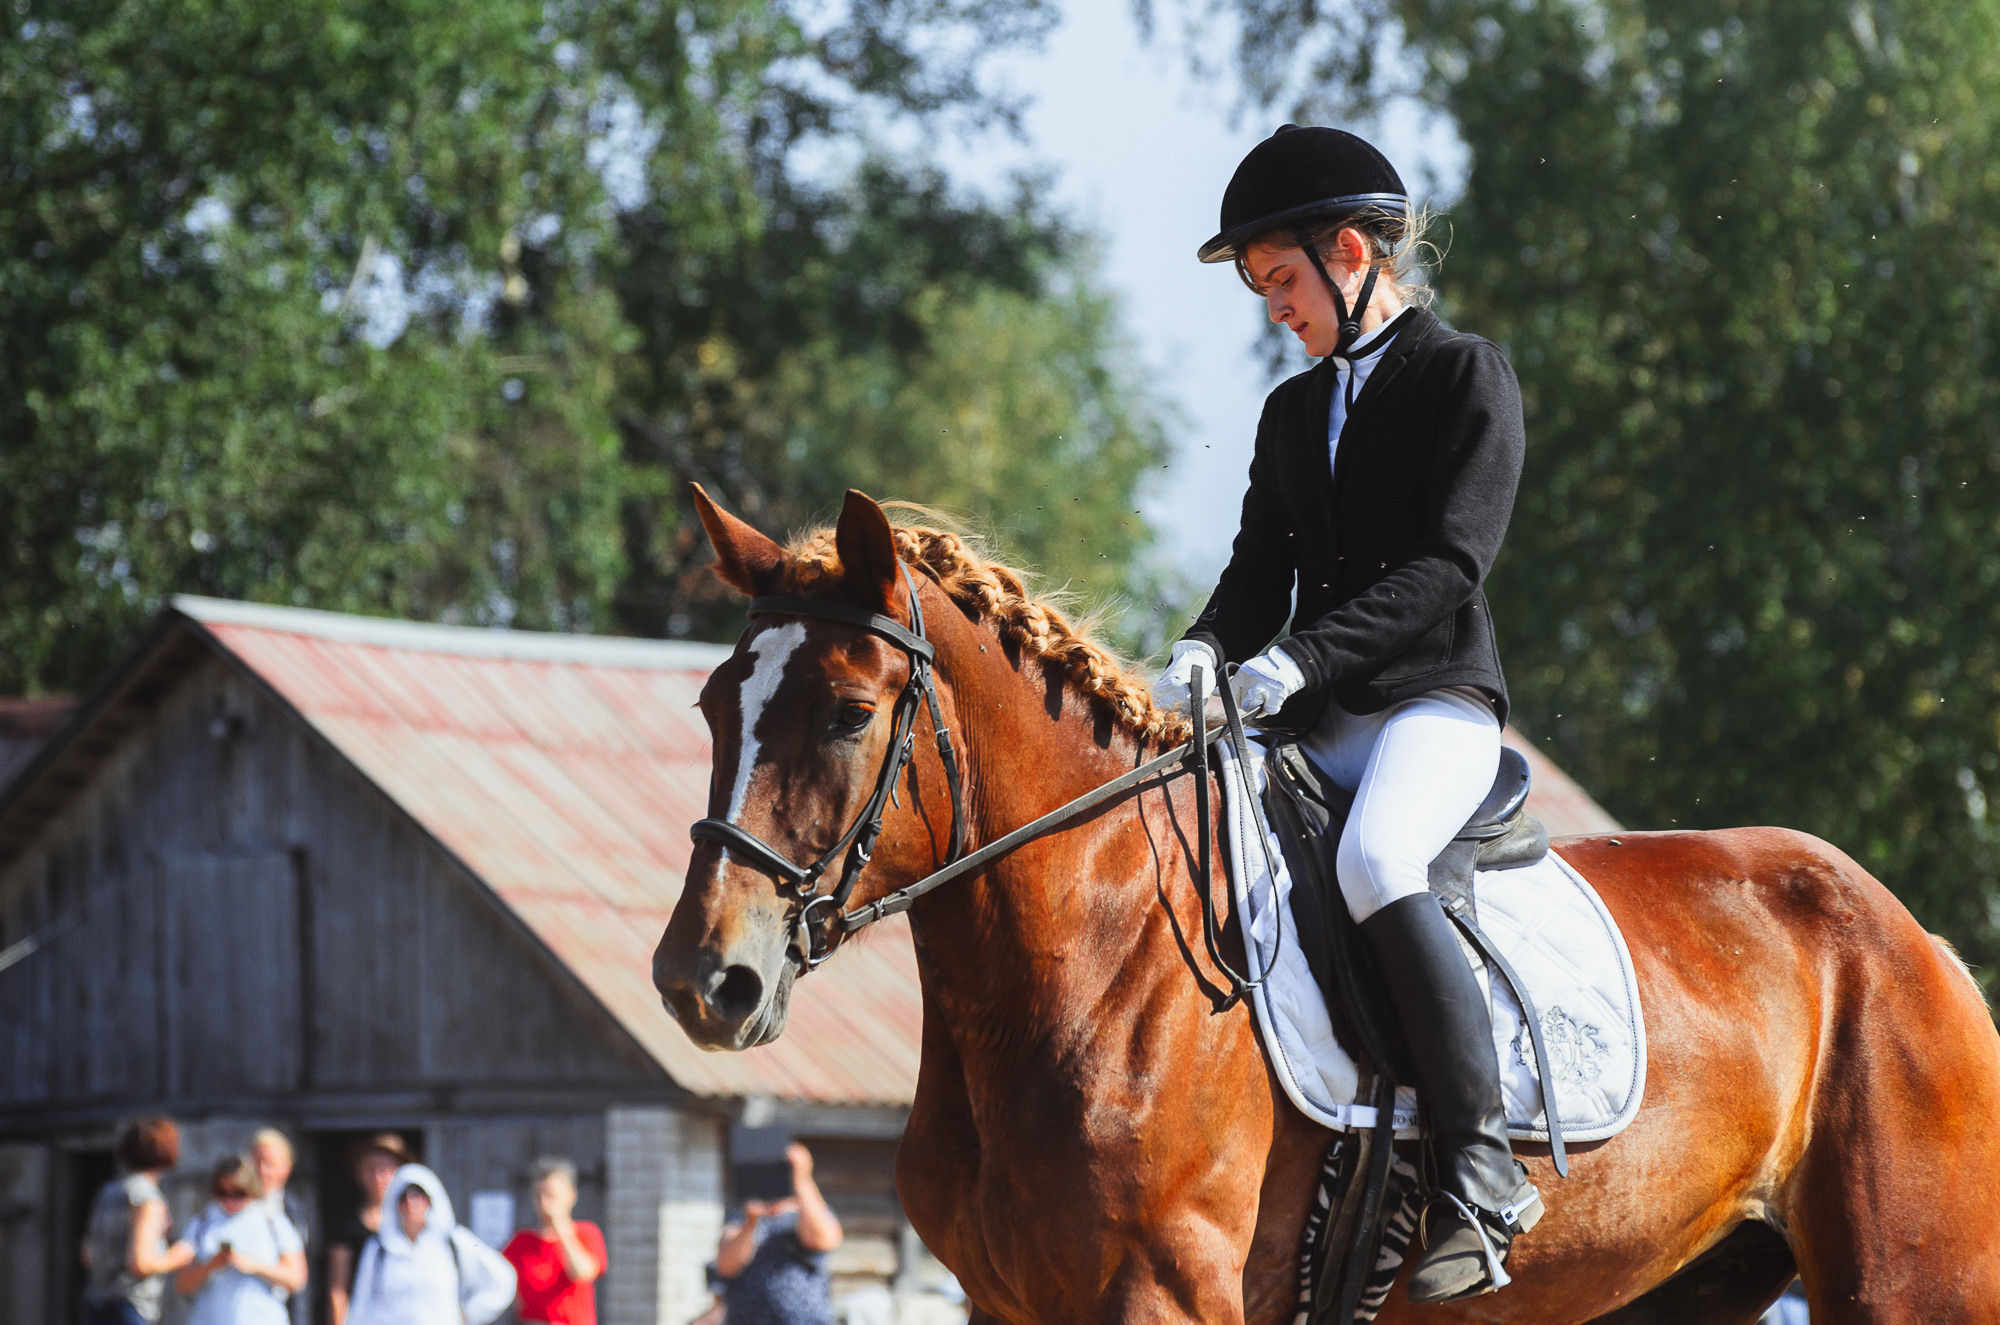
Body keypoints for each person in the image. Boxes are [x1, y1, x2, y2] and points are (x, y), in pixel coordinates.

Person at [1152, 124, 1536, 1303]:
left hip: (1432, 703)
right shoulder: (1288, 411)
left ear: (1351, 253)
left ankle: (1478, 1168)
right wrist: (1204, 645)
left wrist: (1300, 657)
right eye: (1260, 287)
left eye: (1281, 279)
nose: (1272, 307)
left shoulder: (1461, 375)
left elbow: (1449, 565)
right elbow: (1255, 568)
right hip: (1308, 708)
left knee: (1374, 856)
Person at [344, 1164, 517, 1325]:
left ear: (431, 1200)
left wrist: (468, 1313)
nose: (411, 1203)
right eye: (403, 1198)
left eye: (419, 1196)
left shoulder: (452, 1241)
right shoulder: (379, 1248)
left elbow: (503, 1280)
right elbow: (361, 1306)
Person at [80, 1116, 196, 1325]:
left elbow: (88, 1254)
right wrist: (178, 1255)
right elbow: (140, 1263)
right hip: (130, 1306)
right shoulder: (146, 1197)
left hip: (97, 1303)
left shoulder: (108, 1191)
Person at [711, 1143, 843, 1325]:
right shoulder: (742, 1217)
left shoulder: (805, 1211)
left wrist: (802, 1179)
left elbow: (825, 1240)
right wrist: (750, 1223)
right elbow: (726, 1266)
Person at [174, 1155, 307, 1325]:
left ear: (250, 1189)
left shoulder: (271, 1219)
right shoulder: (203, 1222)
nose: (230, 1200)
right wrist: (212, 1265)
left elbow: (297, 1279)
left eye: (238, 1193)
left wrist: (253, 1266)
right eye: (223, 1193)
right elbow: (182, 1283)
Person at [503, 1156, 606, 1325]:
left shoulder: (586, 1233)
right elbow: (499, 1281)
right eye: (539, 1196)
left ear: (571, 1195)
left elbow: (582, 1272)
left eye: (551, 1196)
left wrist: (561, 1228)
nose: (544, 1204)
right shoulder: (521, 1241)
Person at [327, 1133, 414, 1325]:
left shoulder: (413, 1223)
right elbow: (338, 1288)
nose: (378, 1177)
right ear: (359, 1173)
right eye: (371, 1169)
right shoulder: (346, 1224)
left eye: (386, 1169)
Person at [251, 1129, 312, 1325]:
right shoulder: (232, 1206)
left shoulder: (293, 1210)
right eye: (257, 1162)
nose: (263, 1171)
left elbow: (300, 1277)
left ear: (286, 1168)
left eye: (270, 1164)